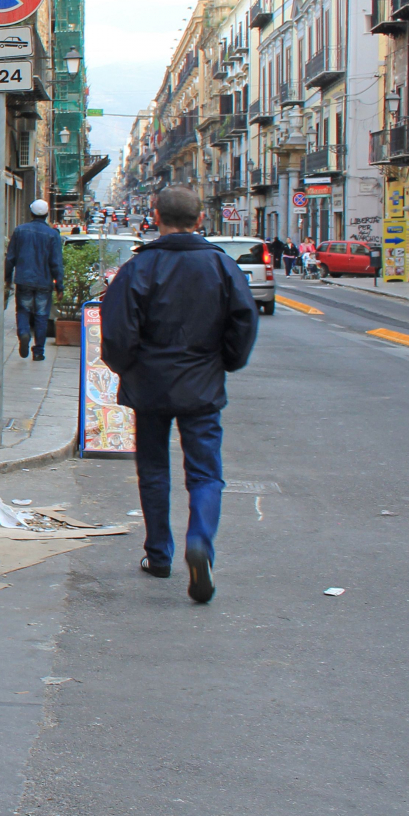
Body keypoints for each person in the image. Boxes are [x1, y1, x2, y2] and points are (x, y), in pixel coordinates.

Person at [100, 186, 257, 604]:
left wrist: (128, 366)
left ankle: (159, 555)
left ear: (154, 216)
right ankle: (200, 541)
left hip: (150, 385)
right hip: (202, 384)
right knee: (206, 472)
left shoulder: (138, 268)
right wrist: (223, 362)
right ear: (201, 219)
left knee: (153, 468)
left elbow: (116, 333)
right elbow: (243, 323)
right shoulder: (222, 267)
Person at [8, 198, 64, 361]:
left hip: (24, 279)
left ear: (31, 213)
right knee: (41, 316)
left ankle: (24, 333)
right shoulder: (53, 235)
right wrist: (59, 285)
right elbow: (56, 263)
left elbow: (10, 257)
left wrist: (6, 278)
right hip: (44, 282)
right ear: (47, 214)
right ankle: (39, 351)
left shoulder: (19, 231)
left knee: (23, 311)